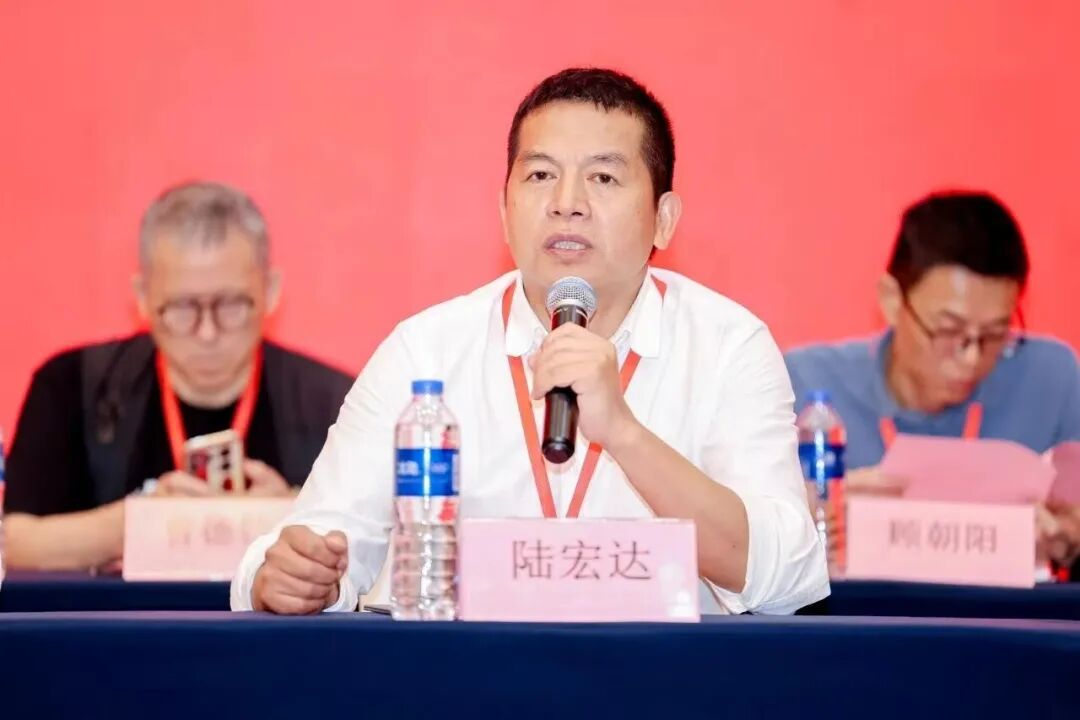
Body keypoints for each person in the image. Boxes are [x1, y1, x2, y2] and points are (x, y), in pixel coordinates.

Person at [232, 68, 829, 615]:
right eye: (541, 175)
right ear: (504, 209)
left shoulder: (728, 346)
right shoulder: (427, 349)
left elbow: (787, 574)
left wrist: (624, 434)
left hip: (663, 677)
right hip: (470, 678)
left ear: (664, 218)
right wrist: (287, 577)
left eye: (603, 177)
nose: (567, 204)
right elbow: (315, 539)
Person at [3, 181, 352, 571]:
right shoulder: (74, 386)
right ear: (143, 297)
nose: (207, 333)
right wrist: (143, 521)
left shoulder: (339, 404)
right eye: (183, 308)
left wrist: (290, 513)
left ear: (270, 291)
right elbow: (13, 543)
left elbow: (380, 546)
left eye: (231, 304)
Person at [785, 191, 1080, 576]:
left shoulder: (1050, 378)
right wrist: (812, 514)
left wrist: (1070, 537)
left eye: (995, 334)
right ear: (892, 300)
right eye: (948, 330)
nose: (971, 358)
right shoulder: (807, 386)